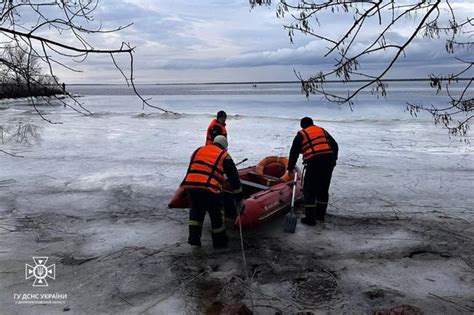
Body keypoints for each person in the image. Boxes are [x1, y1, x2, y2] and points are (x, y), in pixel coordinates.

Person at [181, 135, 242, 248]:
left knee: (196, 212)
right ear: (224, 147)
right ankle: (219, 243)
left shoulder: (198, 150)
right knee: (216, 215)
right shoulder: (224, 155)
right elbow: (234, 178)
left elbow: (193, 168)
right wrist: (238, 195)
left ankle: (194, 239)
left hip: (191, 186)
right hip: (209, 189)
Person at [287, 117, 338, 225]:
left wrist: (290, 168)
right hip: (328, 162)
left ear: (302, 126)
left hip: (314, 163)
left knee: (309, 190)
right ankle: (320, 216)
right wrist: (334, 160)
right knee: (323, 189)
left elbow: (294, 153)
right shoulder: (322, 131)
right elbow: (335, 146)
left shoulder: (301, 134)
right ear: (312, 123)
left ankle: (310, 219)